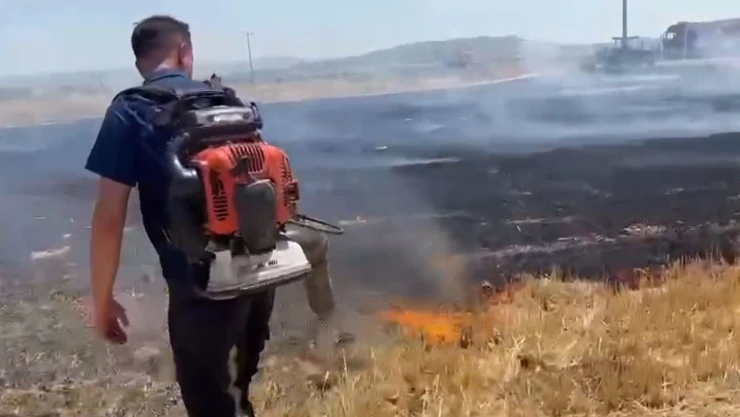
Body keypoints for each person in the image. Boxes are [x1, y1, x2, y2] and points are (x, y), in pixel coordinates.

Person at [84, 14, 333, 417]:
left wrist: (101, 303)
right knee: (236, 393)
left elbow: (109, 217)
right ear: (184, 51)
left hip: (200, 286)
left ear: (139, 62)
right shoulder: (227, 100)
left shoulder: (130, 110)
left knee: (211, 404)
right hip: (260, 271)